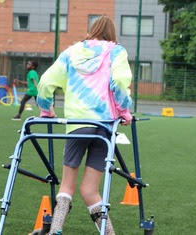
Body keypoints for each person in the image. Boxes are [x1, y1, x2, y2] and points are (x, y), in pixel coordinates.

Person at [35, 15, 133, 235]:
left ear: (92, 30)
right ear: (112, 33)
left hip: (77, 124)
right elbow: (119, 81)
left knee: (67, 185)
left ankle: (56, 230)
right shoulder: (116, 51)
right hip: (104, 127)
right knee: (90, 189)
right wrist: (124, 112)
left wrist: (46, 110)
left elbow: (45, 82)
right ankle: (109, 233)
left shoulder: (71, 52)